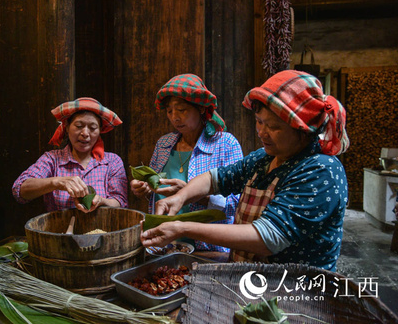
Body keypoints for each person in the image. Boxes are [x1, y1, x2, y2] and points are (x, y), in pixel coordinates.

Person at [141, 70, 350, 271]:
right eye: (259, 122)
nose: (261, 132)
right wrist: (180, 198)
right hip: (251, 278)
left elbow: (267, 238)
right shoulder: (264, 158)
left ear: (303, 130)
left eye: (273, 127)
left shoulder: (321, 171)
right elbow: (216, 179)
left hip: (295, 289)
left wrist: (183, 227)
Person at [130, 73, 243, 252]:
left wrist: (190, 194)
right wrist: (143, 187)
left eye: (182, 110)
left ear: (199, 108)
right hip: (164, 246)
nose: (175, 117)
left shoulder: (225, 144)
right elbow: (157, 190)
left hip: (208, 248)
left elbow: (236, 204)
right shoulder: (164, 144)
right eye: (169, 111)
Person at [13, 97, 128, 212]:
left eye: (93, 128)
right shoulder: (52, 159)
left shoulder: (112, 161)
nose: (85, 133)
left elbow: (120, 202)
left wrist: (102, 201)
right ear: (67, 127)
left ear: (99, 132)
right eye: (78, 126)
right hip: (60, 229)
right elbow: (19, 190)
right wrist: (57, 182)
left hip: (102, 229)